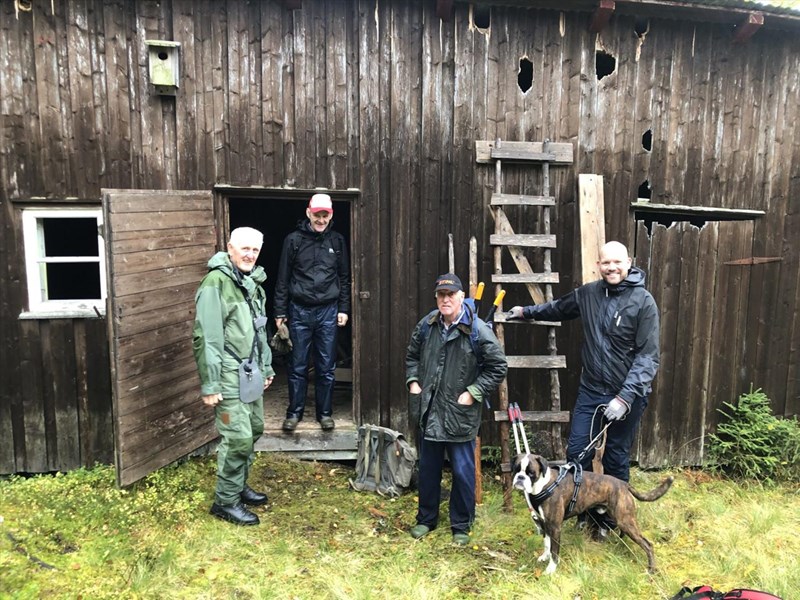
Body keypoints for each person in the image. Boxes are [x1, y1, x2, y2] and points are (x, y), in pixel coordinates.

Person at [507, 241, 660, 539]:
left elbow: (648, 357)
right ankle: (585, 510)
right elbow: (558, 308)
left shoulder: (643, 302)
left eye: (617, 262)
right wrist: (526, 311)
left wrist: (625, 397)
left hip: (628, 394)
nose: (611, 268)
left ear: (628, 262)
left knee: (615, 455)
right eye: (606, 262)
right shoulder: (589, 293)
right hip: (592, 390)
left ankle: (612, 520)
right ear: (599, 264)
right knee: (577, 452)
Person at [405, 273, 508, 545]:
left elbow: (498, 366)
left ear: (461, 297)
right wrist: (414, 382)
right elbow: (412, 355)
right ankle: (426, 519)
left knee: (463, 473)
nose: (446, 299)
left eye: (451, 294)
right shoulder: (427, 325)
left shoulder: (477, 330)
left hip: (459, 414)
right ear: (436, 298)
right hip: (429, 410)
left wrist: (474, 392)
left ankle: (461, 524)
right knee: (428, 469)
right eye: (441, 295)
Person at [192, 227, 275, 526]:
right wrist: (210, 383)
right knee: (237, 436)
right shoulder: (216, 283)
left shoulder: (252, 283)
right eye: (245, 248)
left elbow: (260, 331)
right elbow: (207, 337)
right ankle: (225, 502)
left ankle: (237, 485)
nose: (250, 254)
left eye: (255, 249)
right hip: (228, 372)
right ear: (230, 248)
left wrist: (266, 367)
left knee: (253, 428)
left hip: (250, 370)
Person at [274, 193, 351, 432]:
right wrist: (279, 311)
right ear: (308, 212)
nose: (320, 219)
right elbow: (283, 278)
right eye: (317, 214)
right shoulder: (293, 240)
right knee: (297, 365)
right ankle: (294, 413)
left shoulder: (337, 242)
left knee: (326, 367)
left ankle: (324, 414)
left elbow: (345, 278)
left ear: (330, 215)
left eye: (325, 215)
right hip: (299, 311)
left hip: (328, 311)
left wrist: (344, 308)